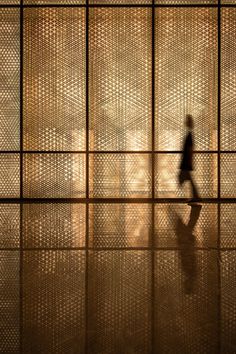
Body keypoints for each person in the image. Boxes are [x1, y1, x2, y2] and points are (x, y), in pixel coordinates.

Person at [179, 114, 200, 203]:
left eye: (186, 120)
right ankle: (196, 196)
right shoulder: (189, 134)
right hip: (186, 160)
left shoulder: (189, 135)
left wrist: (190, 161)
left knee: (184, 178)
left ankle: (195, 196)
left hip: (186, 161)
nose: (185, 122)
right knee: (190, 179)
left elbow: (190, 149)